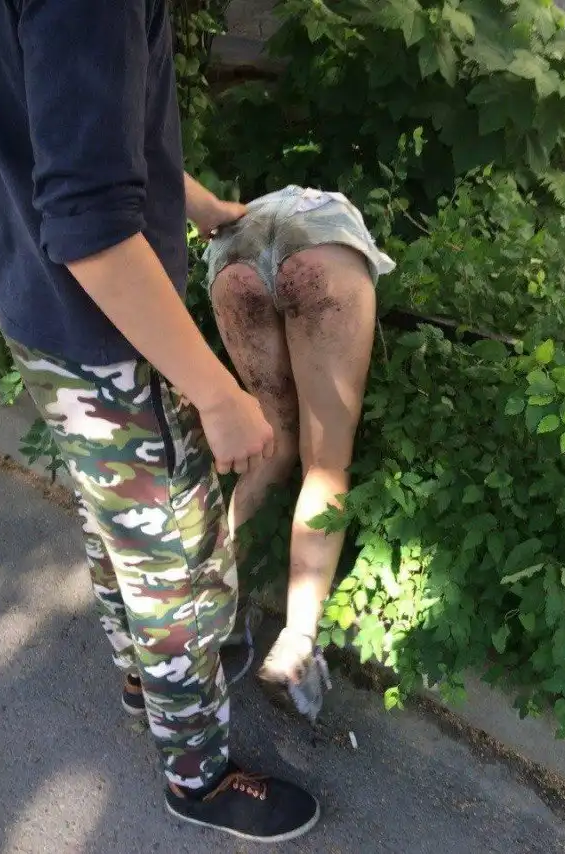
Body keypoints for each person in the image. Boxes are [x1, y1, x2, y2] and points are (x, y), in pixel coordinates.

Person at [0, 0, 320, 843]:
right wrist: (217, 395)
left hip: (39, 308)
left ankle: (147, 679)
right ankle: (197, 778)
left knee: (120, 521)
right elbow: (93, 233)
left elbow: (79, 135)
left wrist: (201, 205)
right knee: (175, 562)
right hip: (110, 332)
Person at [204, 186, 395, 719]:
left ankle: (216, 610)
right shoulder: (333, 211)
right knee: (326, 461)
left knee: (271, 445)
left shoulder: (251, 208)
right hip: (322, 242)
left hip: (236, 251)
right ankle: (294, 646)